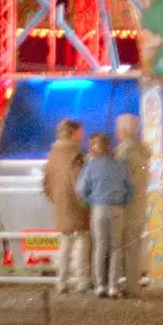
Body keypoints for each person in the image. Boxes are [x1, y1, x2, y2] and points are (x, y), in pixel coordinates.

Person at [77, 131, 131, 297]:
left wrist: (90, 201)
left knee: (100, 246)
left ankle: (100, 285)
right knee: (116, 248)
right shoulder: (120, 165)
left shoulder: (91, 166)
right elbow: (129, 189)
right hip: (117, 209)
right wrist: (123, 201)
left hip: (99, 208)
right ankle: (113, 286)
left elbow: (80, 189)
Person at [43, 118, 90, 294]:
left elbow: (46, 182)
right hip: (76, 205)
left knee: (65, 242)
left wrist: (55, 198)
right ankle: (82, 280)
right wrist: (86, 201)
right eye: (80, 132)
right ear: (73, 133)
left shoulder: (52, 154)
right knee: (83, 241)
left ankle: (61, 281)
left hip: (60, 204)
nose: (82, 135)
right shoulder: (76, 154)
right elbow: (79, 180)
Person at [115, 112, 149, 296]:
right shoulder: (141, 151)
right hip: (139, 205)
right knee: (133, 247)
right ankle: (133, 284)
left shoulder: (126, 152)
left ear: (123, 131)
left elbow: (121, 179)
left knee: (127, 247)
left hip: (128, 206)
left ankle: (131, 286)